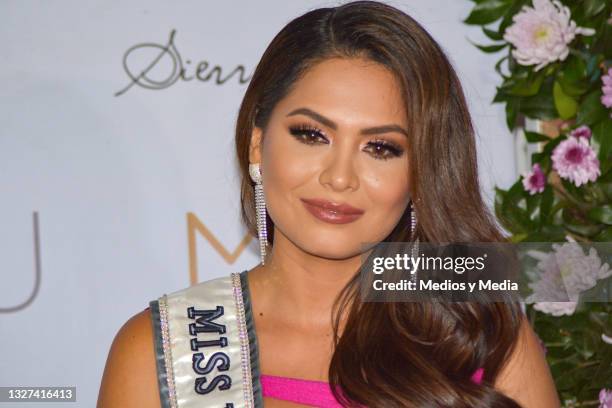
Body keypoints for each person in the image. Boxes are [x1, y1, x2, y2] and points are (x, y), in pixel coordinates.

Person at [97, 1, 561, 407]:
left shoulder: (478, 337)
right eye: (312, 135)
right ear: (258, 144)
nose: (339, 177)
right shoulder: (162, 350)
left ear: (421, 172)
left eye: (381, 148)